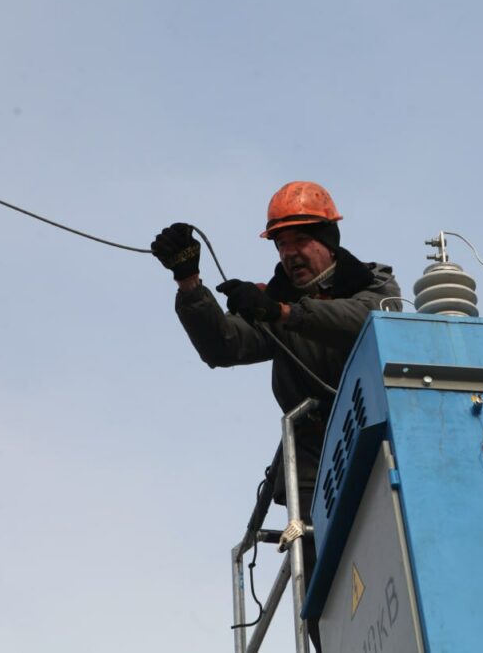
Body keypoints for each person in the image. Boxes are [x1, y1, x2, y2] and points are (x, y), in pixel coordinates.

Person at [151, 181, 401, 651]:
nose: (290, 254)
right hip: (312, 464)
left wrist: (283, 311)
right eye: (281, 244)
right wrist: (189, 284)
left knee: (393, 551)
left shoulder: (373, 286)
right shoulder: (272, 302)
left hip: (378, 446)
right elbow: (222, 346)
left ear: (329, 241)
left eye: (300, 240)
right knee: (326, 589)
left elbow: (366, 319)